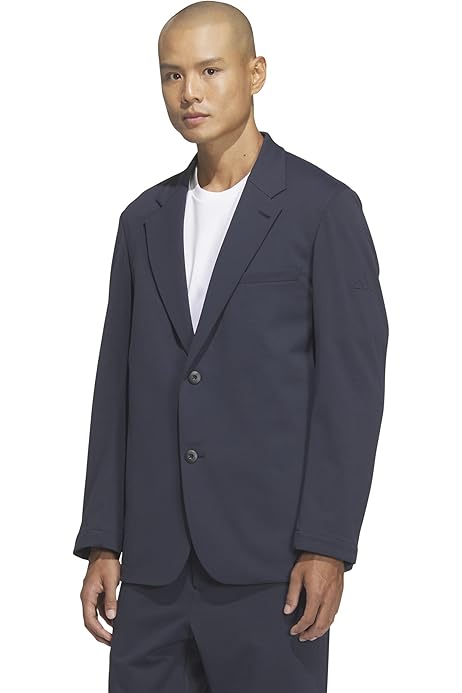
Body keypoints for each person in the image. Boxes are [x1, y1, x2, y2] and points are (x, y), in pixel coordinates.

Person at [73, 2, 389, 691]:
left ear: (255, 73)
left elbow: (351, 392)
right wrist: (103, 538)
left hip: (272, 568)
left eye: (210, 71)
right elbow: (115, 387)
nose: (189, 92)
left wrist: (327, 543)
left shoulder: (323, 209)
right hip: (154, 570)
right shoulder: (142, 221)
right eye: (172, 75)